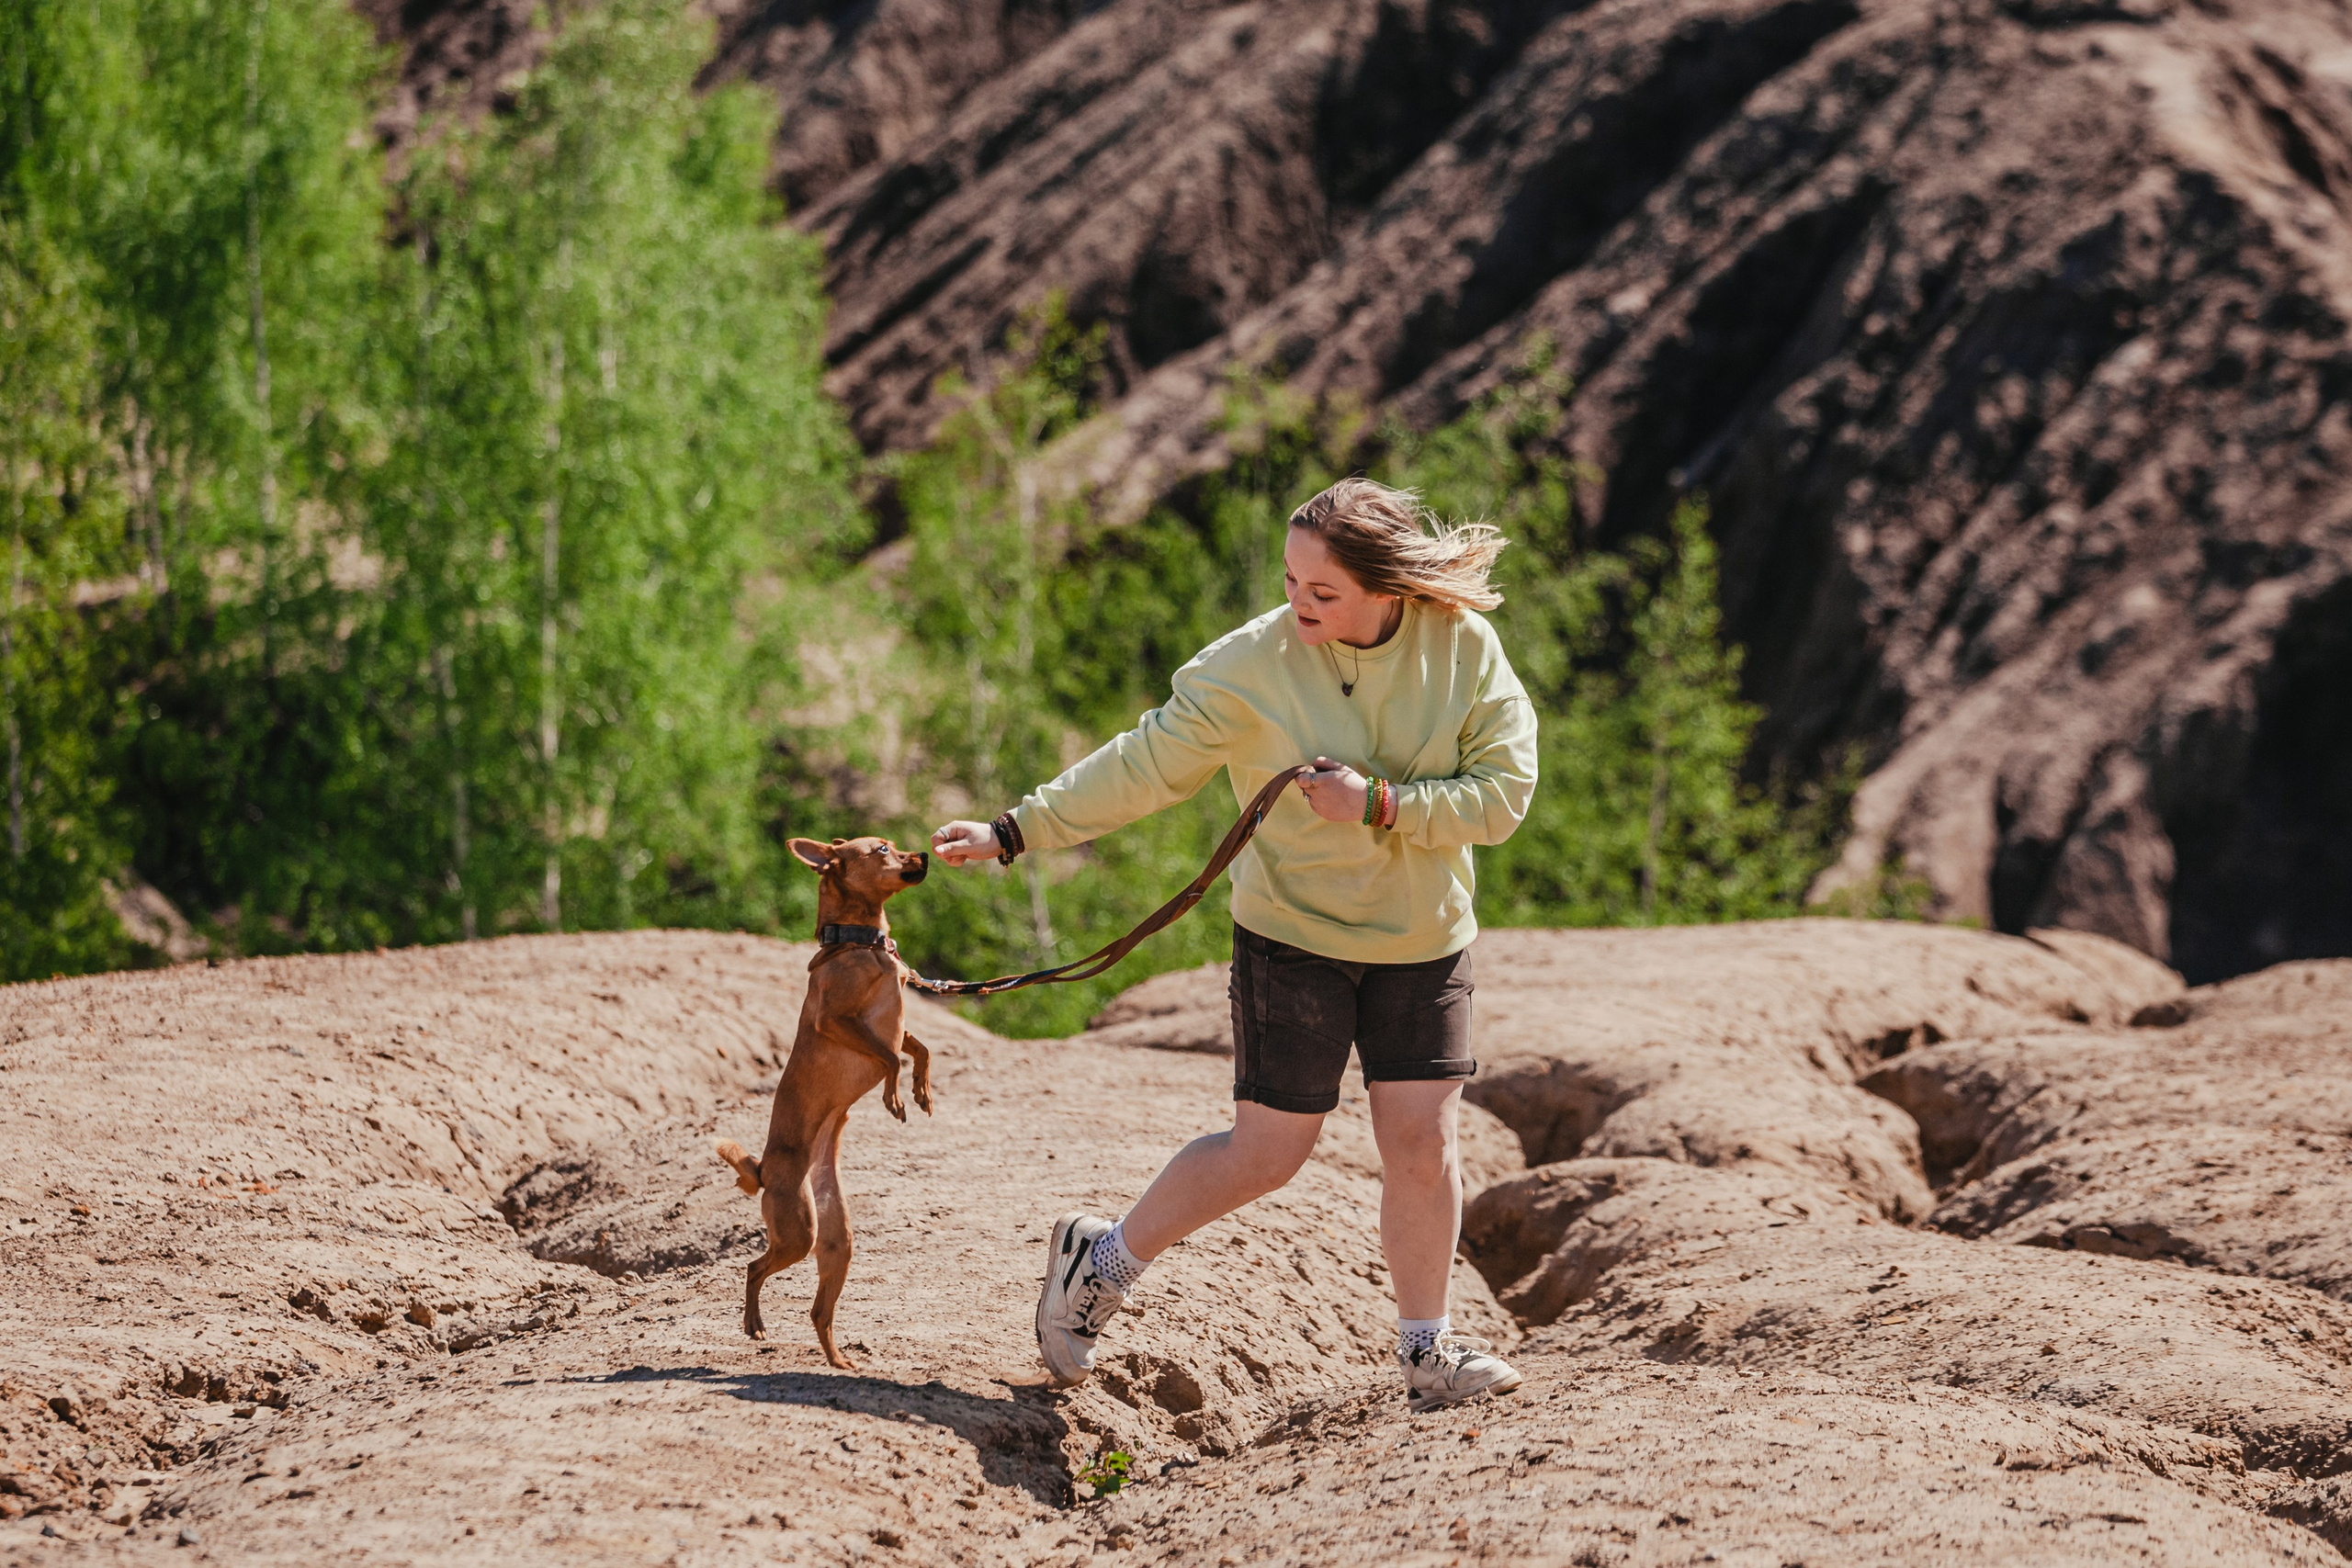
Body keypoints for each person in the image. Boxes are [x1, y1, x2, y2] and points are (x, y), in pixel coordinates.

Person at [931, 477, 1538, 1410]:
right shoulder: (1250, 663)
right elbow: (1144, 763)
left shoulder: (1463, 648)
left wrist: (1379, 804)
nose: (1297, 603)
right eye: (1290, 581)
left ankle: (1427, 1350)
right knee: (1269, 1152)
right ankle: (1098, 1263)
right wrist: (1017, 831)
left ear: (1388, 588)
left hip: (1421, 940)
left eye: (1321, 592)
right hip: (1289, 936)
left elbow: (1501, 799)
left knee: (1419, 1139)